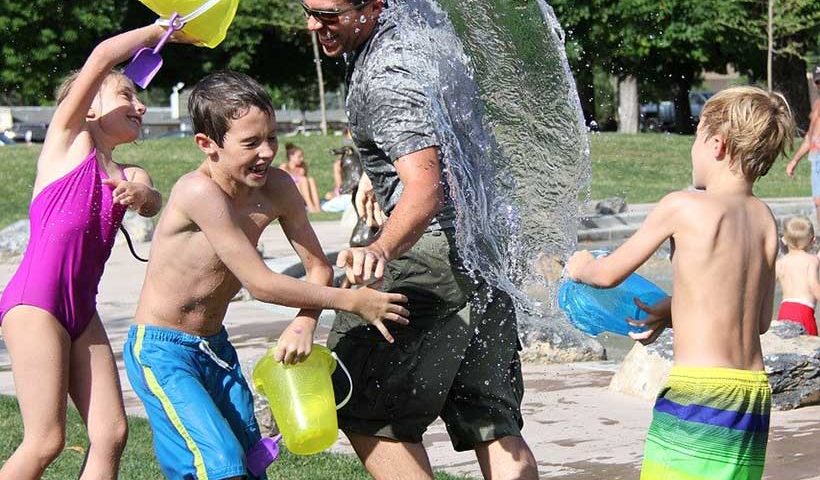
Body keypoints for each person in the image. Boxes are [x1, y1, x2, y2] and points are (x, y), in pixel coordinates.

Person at [123, 71, 409, 480]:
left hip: (215, 347)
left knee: (249, 461)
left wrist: (305, 321)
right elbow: (259, 283)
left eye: (271, 138)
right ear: (208, 145)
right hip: (162, 350)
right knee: (219, 462)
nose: (266, 152)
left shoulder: (278, 188)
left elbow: (318, 267)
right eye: (250, 142)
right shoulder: (198, 192)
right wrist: (352, 301)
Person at [304, 2, 539, 479]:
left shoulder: (386, 76)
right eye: (307, 10)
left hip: (429, 254)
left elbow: (426, 188)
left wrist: (380, 247)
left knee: (360, 404)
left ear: (372, 7)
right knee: (492, 421)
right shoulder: (426, 31)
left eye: (328, 13)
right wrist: (379, 170)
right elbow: (439, 138)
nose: (314, 25)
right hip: (485, 251)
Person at [566, 86, 795, 480]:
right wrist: (674, 309)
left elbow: (608, 274)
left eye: (696, 138)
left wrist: (580, 266)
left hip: (700, 392)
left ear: (718, 145)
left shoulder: (683, 206)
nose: (693, 148)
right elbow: (757, 321)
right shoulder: (763, 219)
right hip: (751, 395)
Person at [0, 24, 180, 478]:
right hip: (35, 303)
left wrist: (142, 199)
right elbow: (101, 55)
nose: (140, 106)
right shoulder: (68, 140)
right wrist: (160, 31)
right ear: (90, 105)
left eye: (141, 99)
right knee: (46, 441)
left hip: (82, 310)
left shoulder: (129, 171)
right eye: (127, 95)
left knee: (112, 433)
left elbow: (151, 197)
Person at [785, 66, 820, 225]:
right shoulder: (817, 105)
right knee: (818, 203)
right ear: (814, 83)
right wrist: (794, 160)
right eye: (818, 81)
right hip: (815, 158)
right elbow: (810, 137)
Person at [775, 216, 820, 335]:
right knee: (810, 351)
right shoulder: (811, 261)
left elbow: (766, 286)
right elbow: (814, 287)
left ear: (784, 239)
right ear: (813, 240)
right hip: (803, 312)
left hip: (784, 311)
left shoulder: (780, 263)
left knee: (787, 350)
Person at [279, 142, 322, 212]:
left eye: (302, 156)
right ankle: (310, 206)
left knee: (311, 180)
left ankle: (317, 207)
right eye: (299, 157)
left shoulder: (302, 167)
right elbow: (281, 185)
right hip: (290, 193)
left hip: (302, 193)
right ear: (291, 156)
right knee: (303, 179)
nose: (302, 159)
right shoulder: (284, 167)